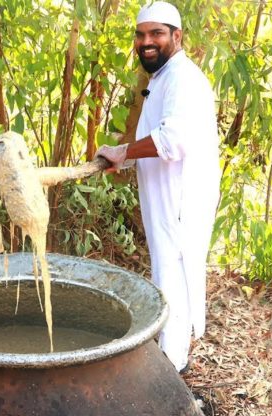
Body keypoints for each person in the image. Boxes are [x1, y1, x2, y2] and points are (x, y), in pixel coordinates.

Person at [95, 1, 221, 372]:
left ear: (177, 37)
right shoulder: (162, 78)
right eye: (141, 34)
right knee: (167, 273)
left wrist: (123, 151)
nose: (146, 41)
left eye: (156, 34)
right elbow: (156, 135)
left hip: (181, 199)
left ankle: (171, 370)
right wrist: (126, 159)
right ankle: (169, 359)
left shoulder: (183, 79)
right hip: (166, 197)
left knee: (175, 277)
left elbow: (173, 140)